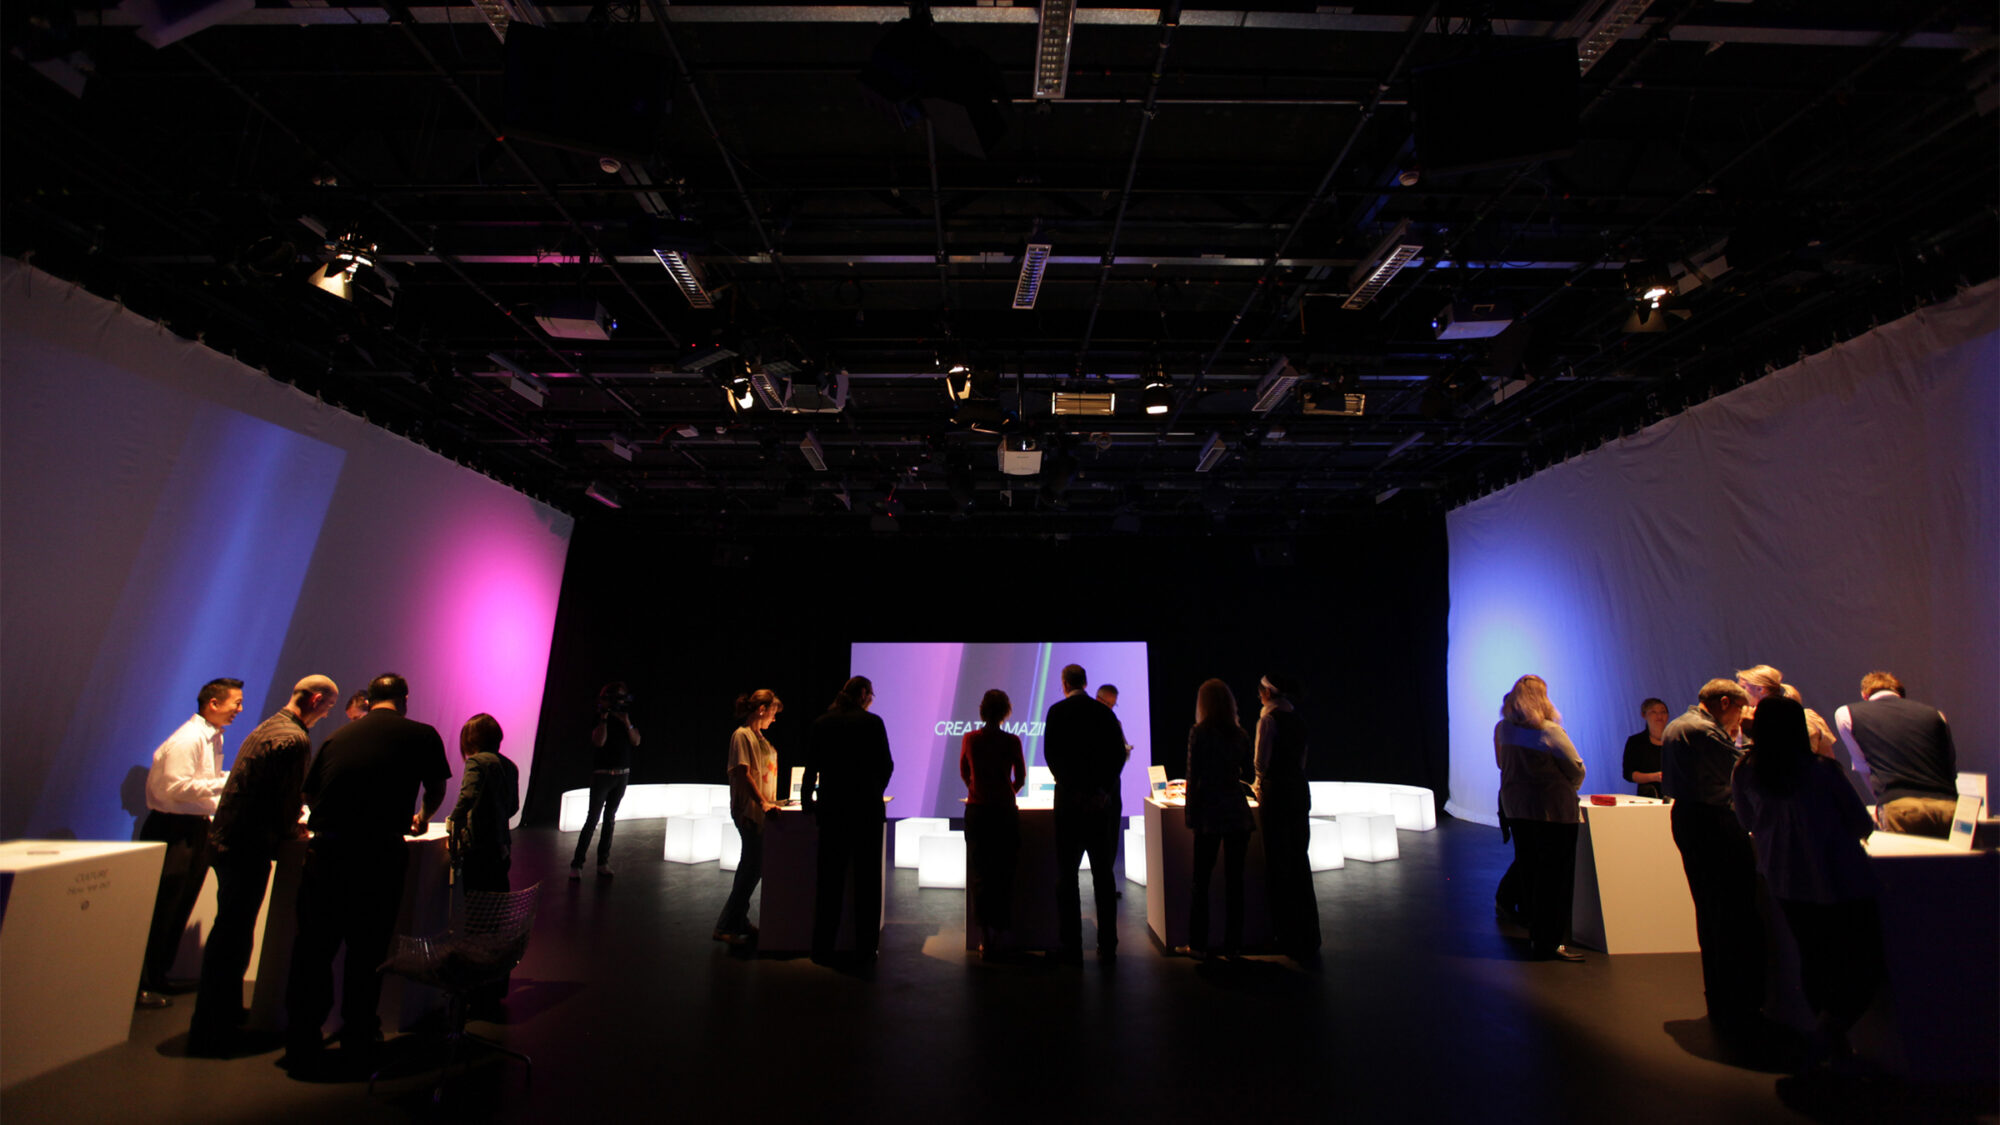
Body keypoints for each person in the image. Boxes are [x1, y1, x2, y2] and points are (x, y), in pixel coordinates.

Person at [282, 673, 450, 1074]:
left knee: (314, 949)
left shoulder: (337, 738)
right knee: (368, 951)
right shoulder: (422, 734)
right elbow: (437, 787)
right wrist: (422, 818)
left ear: (369, 699)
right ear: (404, 699)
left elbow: (308, 793)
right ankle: (359, 1033)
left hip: (326, 853)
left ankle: (303, 1037)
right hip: (378, 854)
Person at [1730, 695, 1884, 1069]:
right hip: (1841, 879)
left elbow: (1746, 821)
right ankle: (1831, 1034)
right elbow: (1860, 823)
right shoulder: (1821, 771)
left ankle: (1830, 1040)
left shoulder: (1746, 770)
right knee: (1864, 962)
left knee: (1815, 958)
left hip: (1785, 881)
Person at [187, 675, 335, 1054]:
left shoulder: (269, 726)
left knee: (229, 933)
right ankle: (215, 1027)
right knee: (233, 937)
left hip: (227, 841)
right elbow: (283, 798)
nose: (327, 714)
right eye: (328, 706)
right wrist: (292, 829)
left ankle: (220, 1014)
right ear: (316, 699)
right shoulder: (294, 739)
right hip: (246, 847)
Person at [1661, 678, 1765, 1037]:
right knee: (1730, 909)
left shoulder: (1679, 725)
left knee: (1709, 908)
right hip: (1711, 822)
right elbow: (1746, 768)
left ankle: (1719, 995)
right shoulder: (1704, 731)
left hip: (1690, 819)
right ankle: (1734, 1001)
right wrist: (1753, 733)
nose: (1738, 721)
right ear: (1725, 702)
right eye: (1739, 712)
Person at [137, 676, 244, 1009]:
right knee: (164, 907)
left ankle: (158, 976)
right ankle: (144, 982)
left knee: (178, 906)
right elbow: (175, 787)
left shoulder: (209, 737)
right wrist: (225, 783)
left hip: (193, 829)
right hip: (174, 831)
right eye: (235, 703)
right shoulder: (189, 738)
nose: (239, 709)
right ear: (213, 703)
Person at [1494, 675, 1586, 962]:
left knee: (1530, 869)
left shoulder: (1503, 730)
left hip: (1517, 809)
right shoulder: (1550, 732)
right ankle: (1549, 941)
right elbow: (1576, 768)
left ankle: (1534, 929)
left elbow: (1500, 763)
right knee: (1555, 878)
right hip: (1553, 812)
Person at [803, 677, 895, 963]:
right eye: (871, 695)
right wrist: (873, 792)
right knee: (867, 883)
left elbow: (811, 768)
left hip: (832, 811)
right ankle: (866, 949)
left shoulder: (822, 723)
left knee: (829, 881)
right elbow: (887, 765)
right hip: (866, 812)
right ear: (864, 695)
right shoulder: (873, 723)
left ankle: (822, 948)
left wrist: (809, 804)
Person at [1043, 663, 1129, 964]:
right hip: (1098, 807)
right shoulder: (1104, 713)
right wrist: (1102, 791)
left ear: (1065, 683)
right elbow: (1119, 754)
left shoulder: (1056, 712)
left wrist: (1071, 789)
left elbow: (1051, 756)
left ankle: (1071, 947)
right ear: (1086, 682)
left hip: (1068, 806)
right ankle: (1108, 945)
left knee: (1066, 877)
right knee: (1103, 877)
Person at [1177, 679, 1255, 959]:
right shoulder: (1241, 734)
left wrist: (1190, 815)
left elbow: (1192, 775)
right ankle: (1233, 947)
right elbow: (1249, 775)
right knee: (1235, 884)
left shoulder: (1199, 732)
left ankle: (1198, 945)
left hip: (1209, 814)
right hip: (1237, 812)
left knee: (1201, 882)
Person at [1833, 671, 1959, 838]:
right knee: (1954, 864)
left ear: (1864, 695)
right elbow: (1949, 765)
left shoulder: (1847, 714)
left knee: (1909, 863)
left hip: (1900, 807)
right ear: (1900, 693)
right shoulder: (1937, 715)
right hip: (1949, 806)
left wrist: (1882, 803)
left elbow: (1864, 768)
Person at [1253, 673, 1318, 956]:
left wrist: (1258, 785)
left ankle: (1284, 933)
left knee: (1278, 861)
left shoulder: (1268, 720)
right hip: (1298, 790)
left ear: (1267, 693)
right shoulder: (1299, 720)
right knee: (1299, 859)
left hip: (1277, 793)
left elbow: (1261, 762)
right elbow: (1302, 761)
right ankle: (1308, 934)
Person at [960, 689, 1026, 958]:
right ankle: (999, 932)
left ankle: (985, 936)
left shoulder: (971, 738)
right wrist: (1007, 792)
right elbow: (1020, 777)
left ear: (982, 709)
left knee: (980, 874)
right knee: (1003, 873)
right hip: (1004, 813)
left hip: (978, 811)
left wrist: (976, 790)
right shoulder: (1012, 740)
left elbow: (964, 771)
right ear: (1005, 711)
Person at [714, 689, 782, 946]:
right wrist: (762, 803)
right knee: (752, 868)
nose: (774, 719)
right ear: (762, 709)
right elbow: (743, 774)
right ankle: (725, 924)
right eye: (773, 713)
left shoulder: (760, 737)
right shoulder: (741, 736)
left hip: (760, 810)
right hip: (749, 810)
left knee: (752, 867)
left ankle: (738, 920)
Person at [572, 681, 642, 878]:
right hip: (602, 775)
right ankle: (576, 864)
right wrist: (604, 718)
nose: (618, 702)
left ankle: (603, 862)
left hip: (622, 774)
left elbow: (636, 741)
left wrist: (626, 721)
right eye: (615, 698)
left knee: (610, 819)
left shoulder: (626, 718)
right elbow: (598, 741)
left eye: (621, 697)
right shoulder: (599, 718)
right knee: (592, 819)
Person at [450, 713, 520, 894]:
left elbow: (467, 796)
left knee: (476, 901)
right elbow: (513, 806)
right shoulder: (510, 766)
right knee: (495, 901)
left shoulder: (476, 761)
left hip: (479, 845)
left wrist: (454, 820)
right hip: (503, 843)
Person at [1622, 697, 1670, 799]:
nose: (1659, 716)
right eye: (1653, 712)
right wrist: (1655, 777)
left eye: (1663, 712)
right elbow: (1628, 774)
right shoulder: (1635, 742)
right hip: (1648, 796)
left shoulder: (1675, 739)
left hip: (1676, 796)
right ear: (1644, 715)